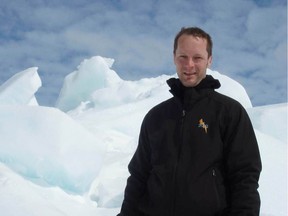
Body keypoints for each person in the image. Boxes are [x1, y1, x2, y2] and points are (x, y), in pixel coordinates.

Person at [117, 27, 262, 216]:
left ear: (209, 59)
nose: (189, 65)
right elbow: (138, 177)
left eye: (197, 58)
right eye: (183, 57)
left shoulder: (229, 112)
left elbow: (245, 176)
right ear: (174, 58)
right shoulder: (156, 117)